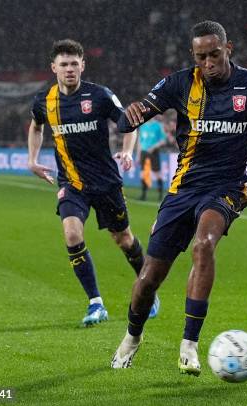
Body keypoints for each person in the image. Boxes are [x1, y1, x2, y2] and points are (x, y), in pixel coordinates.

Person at [110, 21, 247, 374]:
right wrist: (132, 112)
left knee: (204, 244)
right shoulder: (179, 83)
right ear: (193, 56)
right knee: (149, 279)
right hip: (183, 189)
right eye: (201, 57)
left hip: (227, 188)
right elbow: (127, 122)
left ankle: (189, 344)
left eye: (215, 54)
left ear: (228, 48)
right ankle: (132, 336)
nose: (208, 62)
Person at [27, 39, 160, 327]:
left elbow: (128, 122)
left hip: (106, 183)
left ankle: (148, 290)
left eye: (75, 63)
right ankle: (95, 303)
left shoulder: (99, 96)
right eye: (64, 64)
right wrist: (32, 159)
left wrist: (126, 150)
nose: (70, 69)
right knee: (72, 235)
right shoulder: (44, 102)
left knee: (123, 239)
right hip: (72, 183)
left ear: (83, 65)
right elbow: (36, 126)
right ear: (54, 68)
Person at [137, 116, 167, 201]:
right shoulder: (142, 126)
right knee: (143, 173)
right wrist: (138, 155)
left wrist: (154, 147)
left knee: (157, 173)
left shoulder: (158, 125)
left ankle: (161, 195)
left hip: (154, 152)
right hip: (144, 152)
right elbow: (140, 141)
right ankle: (143, 195)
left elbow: (163, 140)